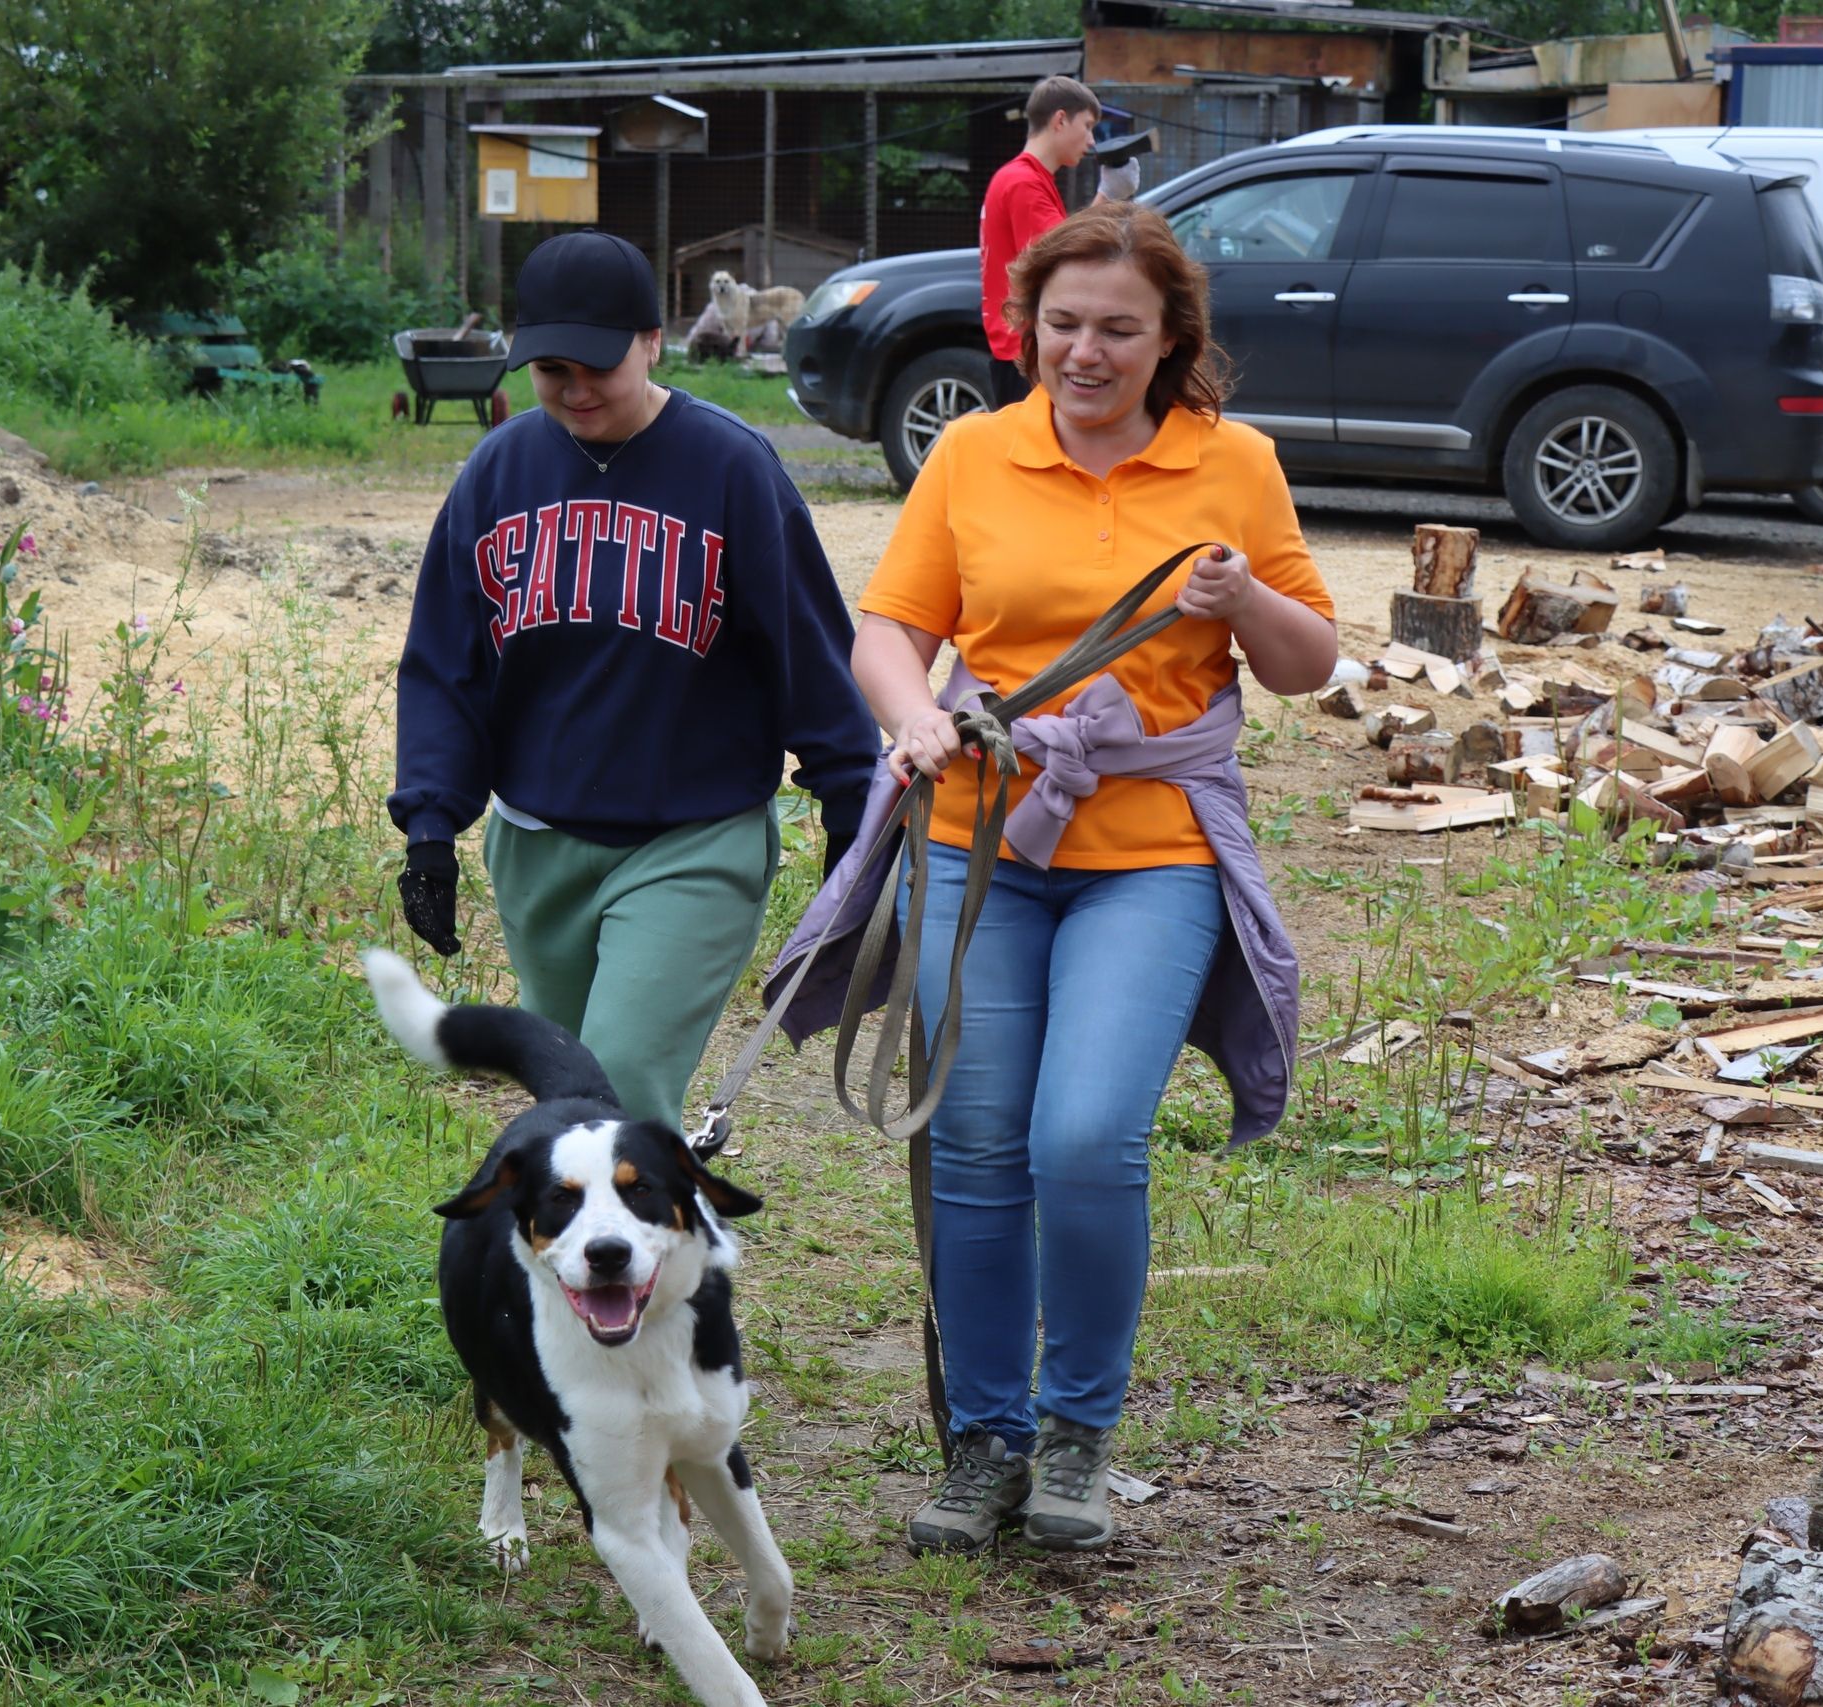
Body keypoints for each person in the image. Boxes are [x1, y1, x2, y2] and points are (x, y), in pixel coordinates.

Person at [850, 201, 1338, 1553]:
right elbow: (892, 627)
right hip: (978, 837)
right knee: (976, 1141)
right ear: (1029, 327)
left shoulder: (1233, 463)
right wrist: (909, 711)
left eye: (1118, 327)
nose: (1085, 351)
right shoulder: (972, 452)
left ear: (1171, 336)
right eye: (1063, 323)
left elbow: (1310, 663)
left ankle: (1077, 1428)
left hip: (1153, 849)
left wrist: (1243, 602)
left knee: (1085, 1135)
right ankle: (984, 1436)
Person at [389, 230, 877, 1132]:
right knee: (570, 1118)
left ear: (654, 340)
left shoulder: (731, 469)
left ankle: (642, 1272)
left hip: (692, 842)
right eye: (551, 371)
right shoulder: (499, 471)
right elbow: (445, 662)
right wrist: (429, 822)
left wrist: (852, 805)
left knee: (619, 1098)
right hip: (537, 842)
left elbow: (810, 646)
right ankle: (616, 1274)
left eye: (598, 367)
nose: (576, 391)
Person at [978, 77, 1141, 410]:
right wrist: (1107, 196)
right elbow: (1063, 259)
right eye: (1088, 126)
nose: (1092, 140)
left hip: (1020, 346)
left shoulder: (1024, 177)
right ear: (1060, 120)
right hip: (1023, 349)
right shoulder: (1024, 182)